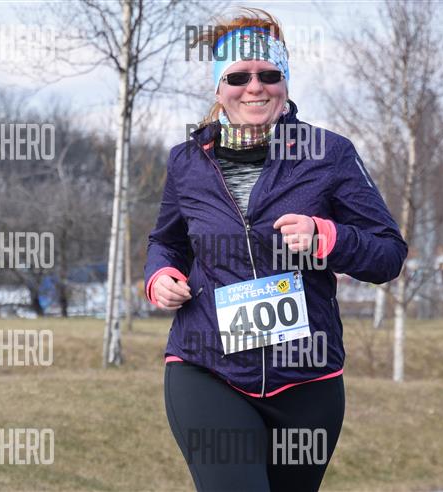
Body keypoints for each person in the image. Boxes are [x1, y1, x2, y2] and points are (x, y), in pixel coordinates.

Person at [144, 8, 407, 491]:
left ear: (284, 82)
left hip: (306, 379)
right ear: (218, 89)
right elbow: (168, 240)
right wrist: (160, 276)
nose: (255, 87)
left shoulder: (329, 154)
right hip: (208, 367)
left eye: (269, 75)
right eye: (238, 77)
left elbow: (389, 253)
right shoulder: (187, 161)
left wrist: (327, 238)